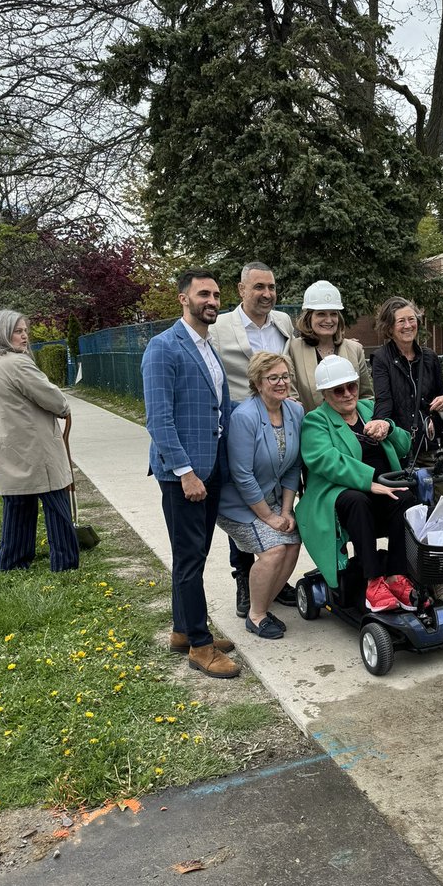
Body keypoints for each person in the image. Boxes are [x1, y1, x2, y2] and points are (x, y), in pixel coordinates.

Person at [142, 270, 239, 678]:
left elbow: (221, 408)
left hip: (212, 465)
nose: (212, 300)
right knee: (187, 557)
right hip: (183, 473)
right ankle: (200, 646)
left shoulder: (207, 347)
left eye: (216, 294)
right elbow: (159, 420)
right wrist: (185, 472)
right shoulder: (163, 347)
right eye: (204, 294)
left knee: (195, 554)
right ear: (183, 299)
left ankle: (184, 631)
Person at [296, 355, 418, 613]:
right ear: (325, 394)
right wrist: (369, 481)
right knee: (357, 500)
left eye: (351, 385)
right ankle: (373, 582)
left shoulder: (369, 408)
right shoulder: (315, 421)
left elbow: (405, 445)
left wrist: (389, 427)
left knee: (405, 497)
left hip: (383, 487)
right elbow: (326, 460)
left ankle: (396, 576)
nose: (348, 393)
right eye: (338, 390)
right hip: (337, 494)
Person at [209, 260, 296, 618]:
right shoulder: (220, 327)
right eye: (258, 287)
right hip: (236, 421)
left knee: (276, 492)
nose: (266, 294)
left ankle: (273, 574)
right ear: (241, 290)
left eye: (271, 287)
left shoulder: (283, 323)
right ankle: (245, 579)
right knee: (245, 501)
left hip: (278, 416)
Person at [0, 310, 80, 573]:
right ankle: (64, 564)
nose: (24, 336)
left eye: (25, 331)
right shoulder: (16, 363)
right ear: (2, 333)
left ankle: (12, 563)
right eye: (17, 331)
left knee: (18, 505)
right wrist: (63, 406)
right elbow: (54, 400)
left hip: (5, 445)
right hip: (34, 445)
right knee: (56, 502)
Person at [217, 352, 303, 641]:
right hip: (238, 503)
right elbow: (241, 474)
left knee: (292, 542)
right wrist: (269, 517)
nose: (281, 382)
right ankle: (256, 616)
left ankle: (265, 600)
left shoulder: (295, 412)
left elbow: (293, 465)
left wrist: (287, 511)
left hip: (275, 498)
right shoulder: (244, 416)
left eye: (285, 376)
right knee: (274, 549)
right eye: (273, 378)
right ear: (257, 382)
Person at [371, 296, 443, 493]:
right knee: (411, 511)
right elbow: (384, 400)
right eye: (401, 321)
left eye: (412, 319)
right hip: (404, 449)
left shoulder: (430, 357)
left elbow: (442, 394)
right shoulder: (382, 359)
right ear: (390, 327)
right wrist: (381, 423)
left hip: (434, 446)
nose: (408, 325)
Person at [288, 280, 372, 412]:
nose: (329, 320)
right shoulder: (293, 349)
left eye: (333, 313)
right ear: (308, 317)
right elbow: (292, 399)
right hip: (312, 429)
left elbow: (366, 397)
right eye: (321, 314)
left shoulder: (355, 349)